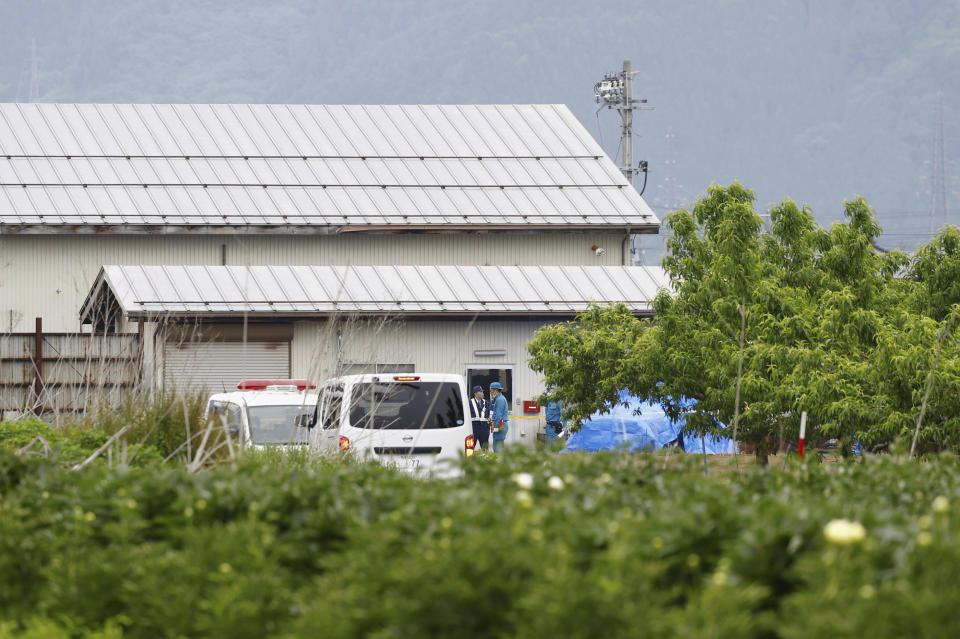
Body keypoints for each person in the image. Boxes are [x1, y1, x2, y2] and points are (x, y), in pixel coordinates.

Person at [468, 385, 491, 450]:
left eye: (482, 392)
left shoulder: (486, 402)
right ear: (475, 393)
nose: (482, 393)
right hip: (474, 427)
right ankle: (469, 460)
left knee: (485, 448)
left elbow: (490, 414)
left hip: (484, 428)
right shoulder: (470, 402)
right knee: (470, 447)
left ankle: (485, 459)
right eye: (480, 392)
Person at [489, 381, 509, 453]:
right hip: (501, 424)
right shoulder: (499, 398)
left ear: (495, 390)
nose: (490, 392)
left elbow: (498, 416)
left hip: (500, 424)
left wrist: (495, 428)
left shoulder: (500, 400)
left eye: (491, 390)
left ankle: (499, 462)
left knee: (497, 448)